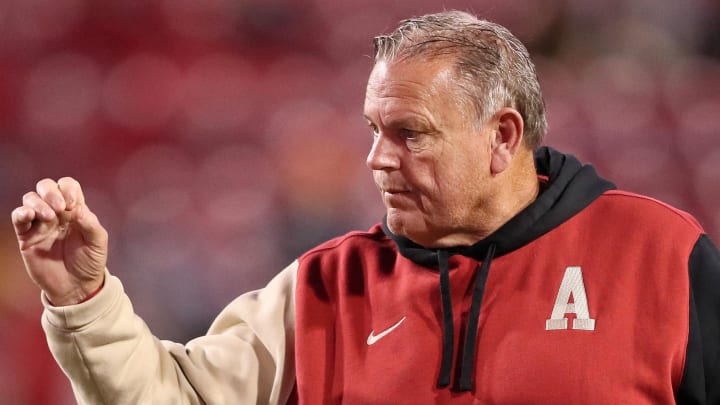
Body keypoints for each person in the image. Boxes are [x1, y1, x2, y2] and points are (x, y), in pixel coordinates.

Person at [11, 10, 720, 404]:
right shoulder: (327, 286)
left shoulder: (659, 255)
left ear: (501, 137)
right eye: (374, 131)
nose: (378, 158)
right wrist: (86, 304)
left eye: (410, 134)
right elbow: (175, 397)